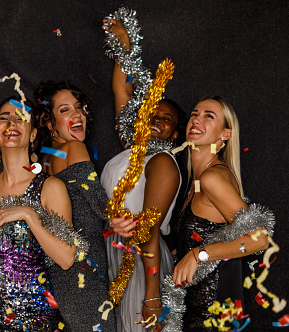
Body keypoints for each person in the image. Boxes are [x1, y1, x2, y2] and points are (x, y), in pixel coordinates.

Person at [0, 96, 86, 331]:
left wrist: (29, 215)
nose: (11, 123)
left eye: (20, 118)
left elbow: (66, 258)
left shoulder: (50, 187)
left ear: (32, 134)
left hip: (36, 318)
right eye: (4, 117)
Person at [100, 10, 182, 331]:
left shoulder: (161, 162)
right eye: (153, 113)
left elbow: (147, 229)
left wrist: (151, 294)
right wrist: (124, 42)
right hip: (115, 252)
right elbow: (122, 90)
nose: (157, 120)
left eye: (167, 119)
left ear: (174, 135)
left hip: (143, 261)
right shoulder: (132, 152)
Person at [165, 96, 271, 330]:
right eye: (194, 114)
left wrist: (197, 255)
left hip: (213, 316)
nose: (196, 120)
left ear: (225, 134)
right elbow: (209, 230)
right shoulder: (197, 180)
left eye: (208, 116)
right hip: (195, 311)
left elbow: (261, 238)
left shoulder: (213, 178)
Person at [35, 81, 117, 331]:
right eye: (64, 110)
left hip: (61, 275)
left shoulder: (45, 159)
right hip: (84, 274)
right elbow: (101, 206)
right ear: (49, 123)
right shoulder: (74, 147)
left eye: (79, 108)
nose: (76, 115)